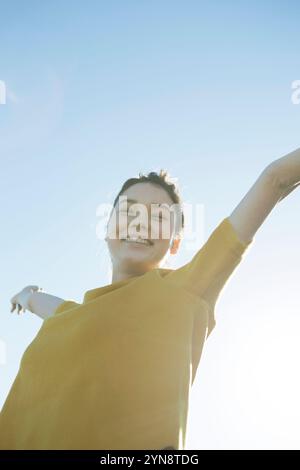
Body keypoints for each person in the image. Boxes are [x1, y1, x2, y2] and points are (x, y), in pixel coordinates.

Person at [1, 147, 300, 450]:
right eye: (128, 212)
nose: (140, 223)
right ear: (107, 229)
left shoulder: (186, 290)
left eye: (158, 216)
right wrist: (26, 295)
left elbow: (275, 179)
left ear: (175, 244)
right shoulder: (68, 316)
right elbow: (41, 302)